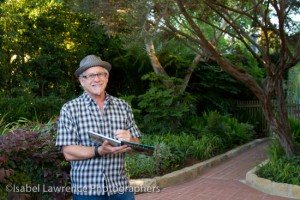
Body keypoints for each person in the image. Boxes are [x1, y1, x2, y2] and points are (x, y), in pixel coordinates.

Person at [56, 55, 141, 200]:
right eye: (90, 76)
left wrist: (131, 140)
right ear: (82, 81)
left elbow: (137, 146)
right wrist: (99, 151)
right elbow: (68, 152)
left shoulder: (123, 106)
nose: (97, 79)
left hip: (120, 188)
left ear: (106, 77)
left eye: (100, 74)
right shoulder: (70, 109)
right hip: (87, 191)